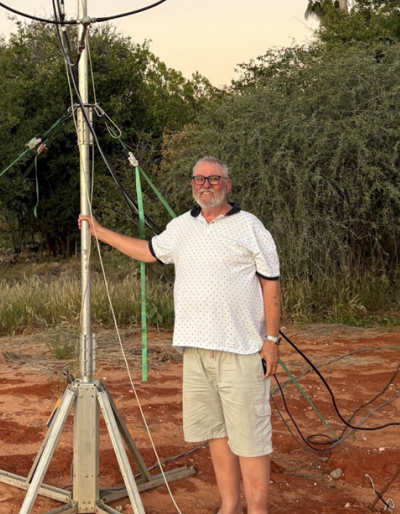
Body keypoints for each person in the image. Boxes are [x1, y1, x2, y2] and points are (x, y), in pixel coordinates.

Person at [79, 155, 281, 514]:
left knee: (250, 439)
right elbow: (147, 252)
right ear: (192, 185)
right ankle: (229, 506)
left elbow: (271, 286)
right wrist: (99, 232)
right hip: (196, 351)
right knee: (217, 434)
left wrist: (272, 340)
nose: (207, 185)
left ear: (227, 185)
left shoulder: (250, 227)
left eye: (214, 179)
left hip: (242, 349)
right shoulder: (181, 227)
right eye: (200, 179)